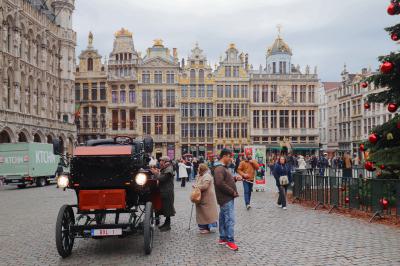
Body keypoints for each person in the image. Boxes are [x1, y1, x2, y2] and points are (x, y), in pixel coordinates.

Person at [213, 148, 241, 251]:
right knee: (230, 219)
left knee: (224, 217)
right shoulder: (219, 168)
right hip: (226, 197)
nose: (231, 159)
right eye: (230, 156)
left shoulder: (222, 168)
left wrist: (234, 179)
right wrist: (232, 192)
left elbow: (224, 180)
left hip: (226, 197)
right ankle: (230, 241)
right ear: (224, 156)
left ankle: (223, 238)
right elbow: (220, 183)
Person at [150, 156, 176, 232]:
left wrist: (155, 173)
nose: (160, 162)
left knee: (168, 208)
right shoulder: (166, 167)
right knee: (165, 207)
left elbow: (162, 178)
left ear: (165, 161)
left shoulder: (169, 168)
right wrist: (158, 172)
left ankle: (168, 225)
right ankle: (166, 224)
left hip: (167, 191)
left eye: (161, 161)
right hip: (164, 190)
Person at [193, 164, 218, 234]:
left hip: (206, 197)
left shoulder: (207, 176)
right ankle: (203, 227)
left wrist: (196, 186)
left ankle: (207, 227)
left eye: (198, 168)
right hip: (201, 197)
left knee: (207, 213)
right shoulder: (200, 175)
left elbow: (205, 186)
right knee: (202, 213)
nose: (197, 169)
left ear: (202, 169)